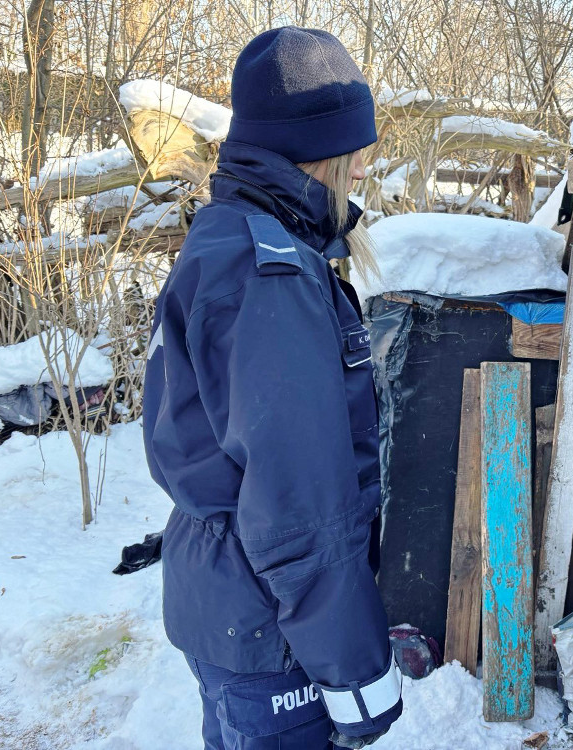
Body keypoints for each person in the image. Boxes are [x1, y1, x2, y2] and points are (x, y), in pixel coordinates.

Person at [143, 27, 401, 750]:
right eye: (353, 152)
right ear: (320, 150)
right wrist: (355, 674)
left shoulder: (227, 235)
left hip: (229, 603)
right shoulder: (269, 274)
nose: (361, 169)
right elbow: (301, 505)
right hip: (272, 626)